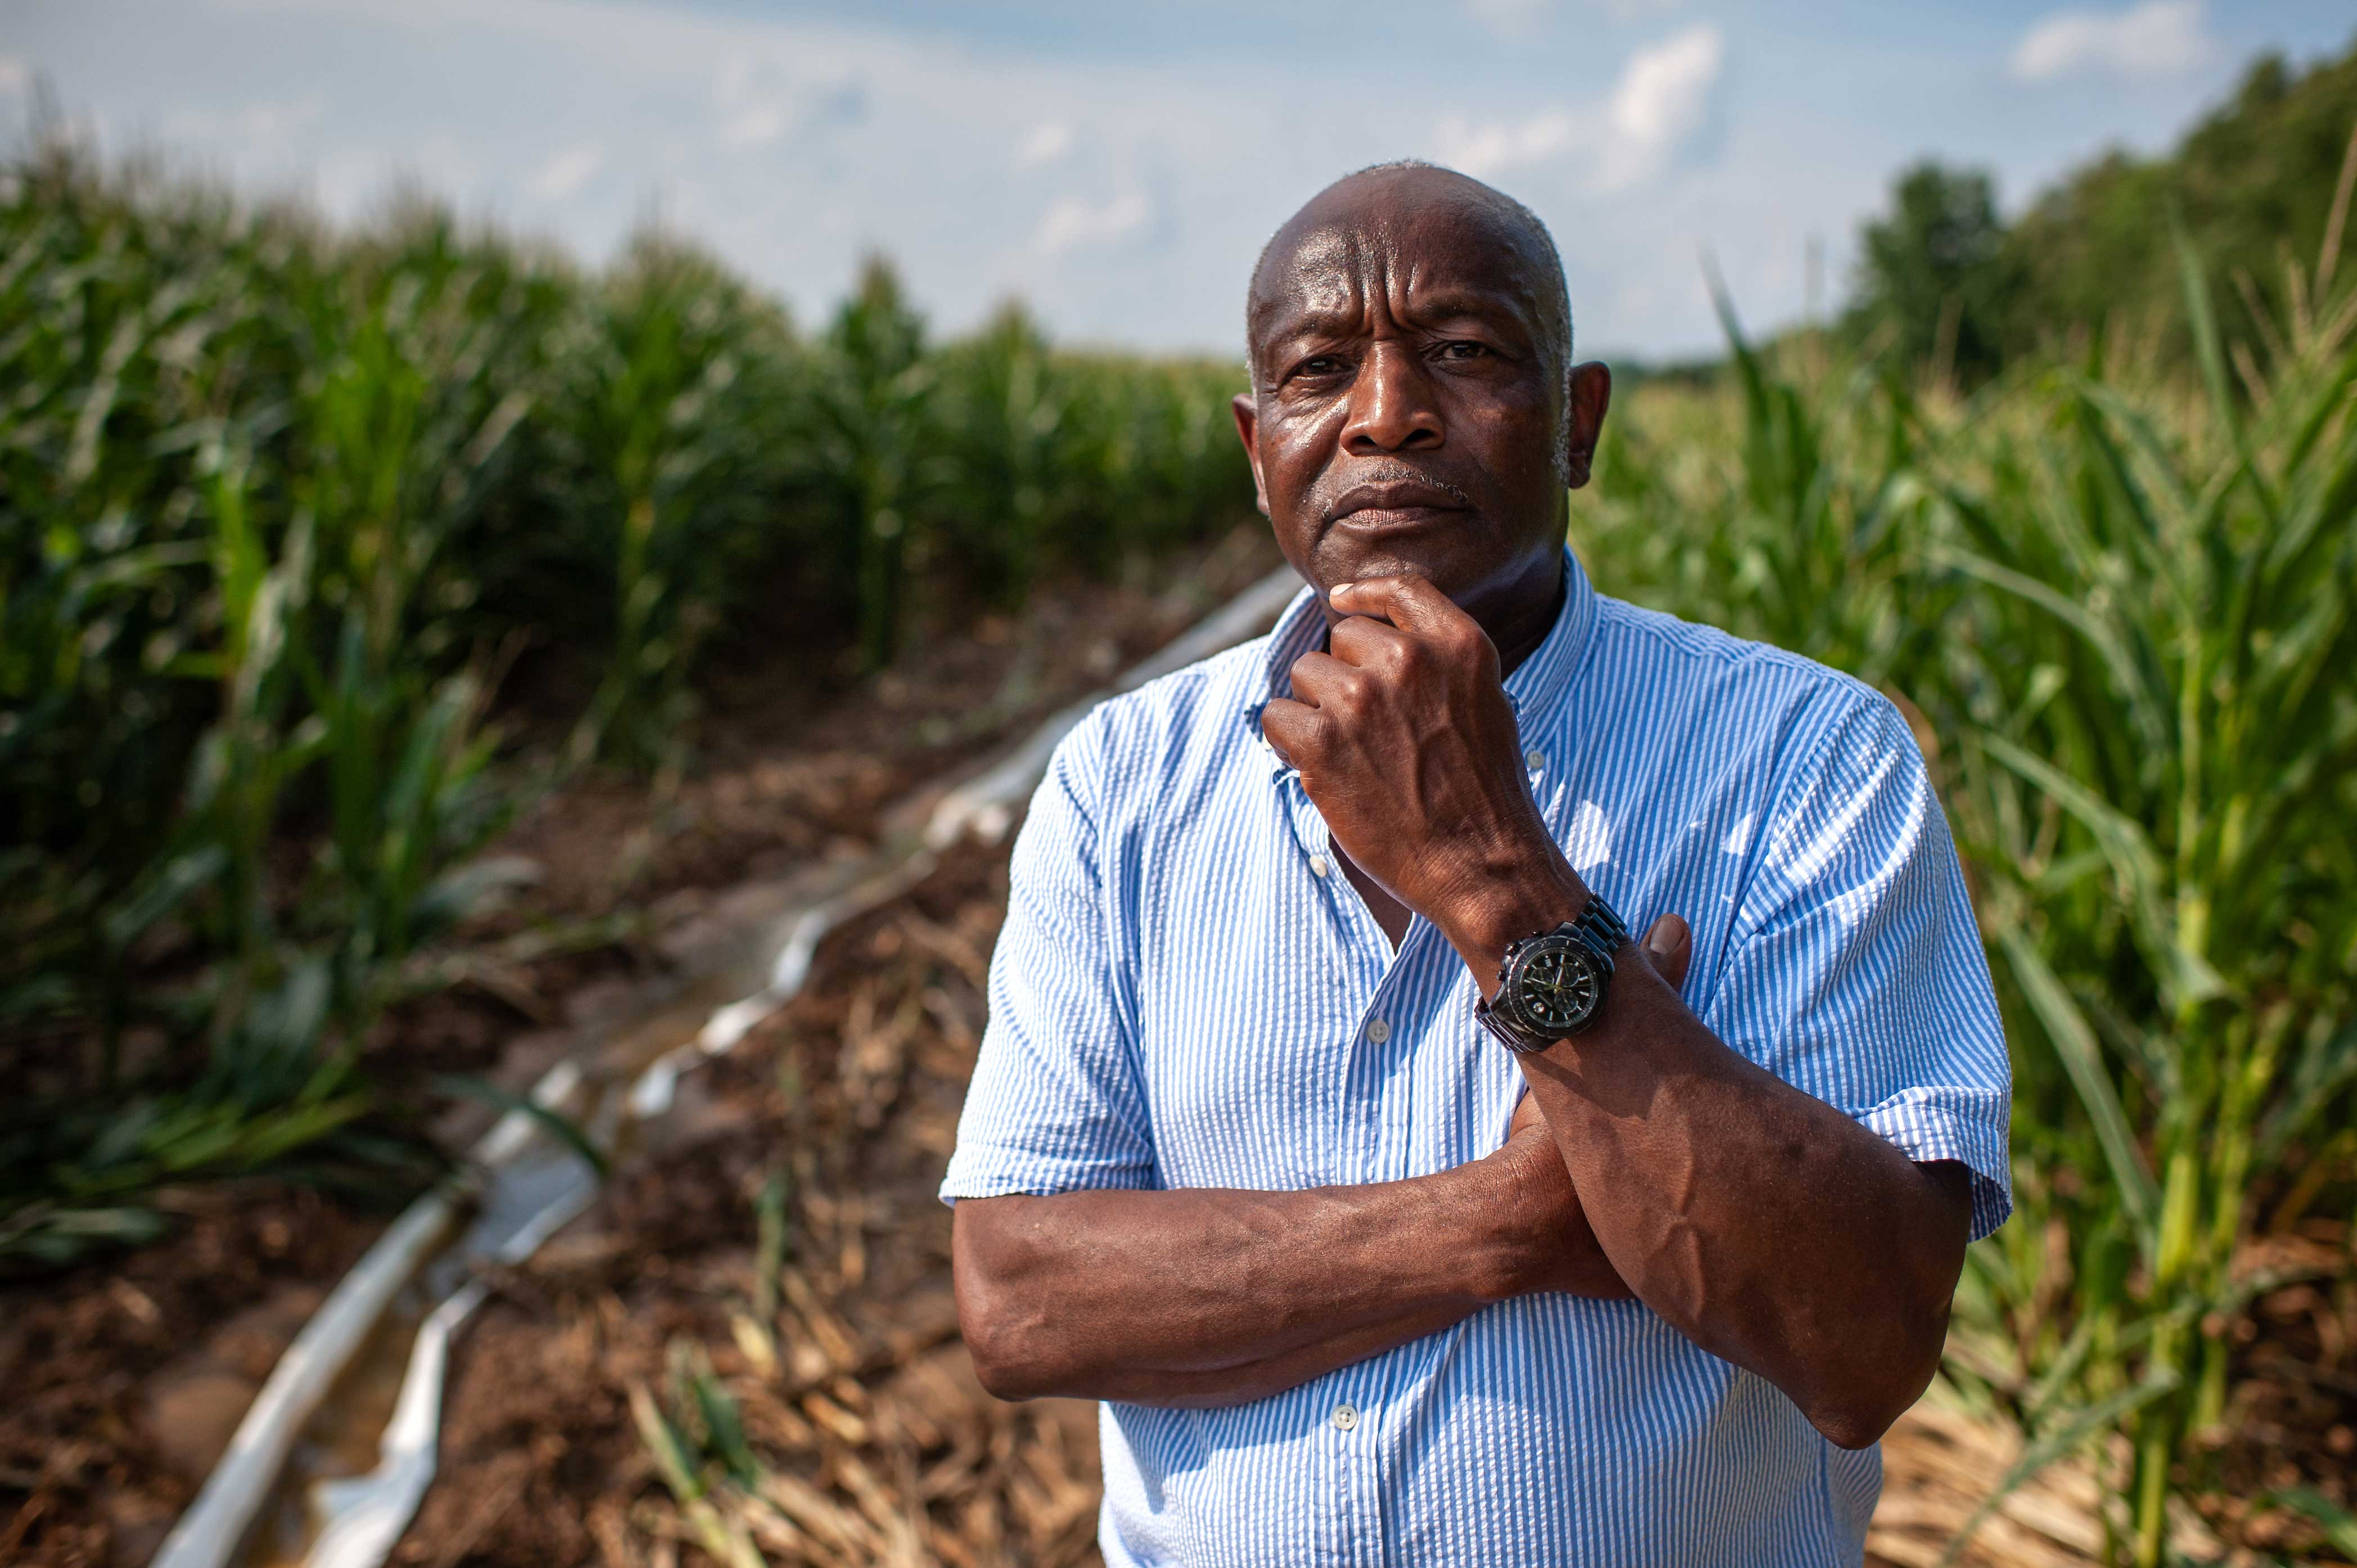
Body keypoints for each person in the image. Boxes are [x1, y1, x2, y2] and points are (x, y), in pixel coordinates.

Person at [941, 161, 2011, 1567]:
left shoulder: (1804, 760)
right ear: (1257, 445)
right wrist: (1507, 1222)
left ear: (1577, 424)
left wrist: (1495, 875)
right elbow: (1024, 1303)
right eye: (1321, 370)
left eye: (1463, 352)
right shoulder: (1120, 784)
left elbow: (1860, 1346)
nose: (1386, 413)